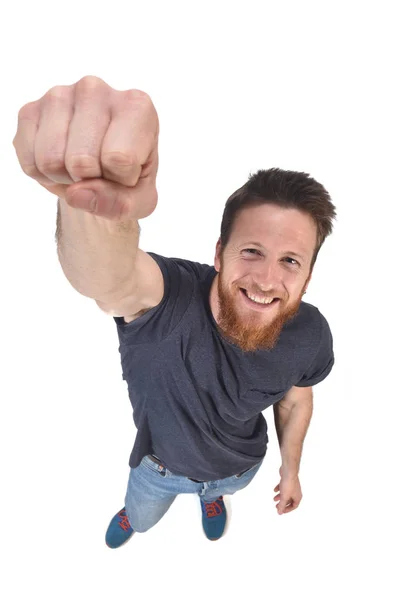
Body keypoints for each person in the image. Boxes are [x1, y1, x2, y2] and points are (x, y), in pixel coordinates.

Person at [13, 75, 336, 547]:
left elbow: (295, 398)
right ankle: (132, 514)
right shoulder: (167, 301)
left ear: (307, 277)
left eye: (290, 261)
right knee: (141, 519)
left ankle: (211, 497)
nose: (267, 280)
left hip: (240, 469)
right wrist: (94, 198)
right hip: (156, 472)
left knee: (222, 488)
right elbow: (110, 277)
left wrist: (291, 471)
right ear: (219, 252)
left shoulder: (312, 333)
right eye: (251, 251)